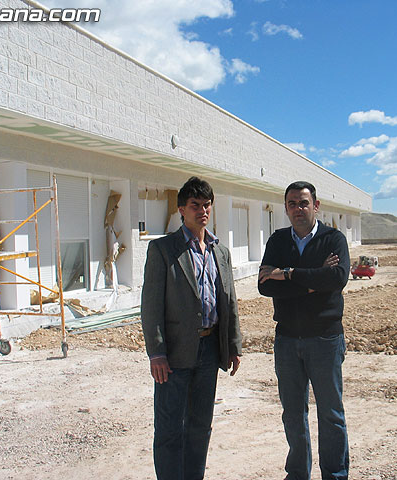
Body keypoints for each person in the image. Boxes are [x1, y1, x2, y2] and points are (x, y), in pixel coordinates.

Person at [141, 176, 242, 480]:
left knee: (200, 426)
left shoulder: (219, 251)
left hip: (210, 350)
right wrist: (156, 353)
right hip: (174, 353)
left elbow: (230, 302)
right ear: (181, 209)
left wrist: (234, 345)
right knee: (170, 428)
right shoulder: (163, 250)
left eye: (207, 205)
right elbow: (151, 306)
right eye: (195, 205)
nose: (202, 210)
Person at [258, 181, 350, 480]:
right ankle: (298, 473)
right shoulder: (278, 241)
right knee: (293, 413)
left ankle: (335, 474)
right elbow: (264, 286)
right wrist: (313, 282)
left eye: (304, 203)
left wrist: (288, 274)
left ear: (316, 205)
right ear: (286, 208)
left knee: (331, 414)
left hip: (325, 338)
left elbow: (336, 278)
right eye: (292, 203)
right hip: (287, 340)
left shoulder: (333, 239)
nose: (298, 209)